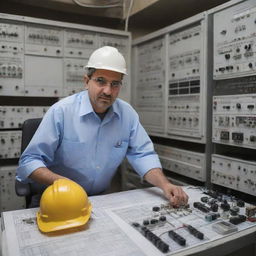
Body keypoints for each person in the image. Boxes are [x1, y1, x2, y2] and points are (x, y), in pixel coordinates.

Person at [17, 46, 188, 207]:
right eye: (101, 81)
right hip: (57, 200)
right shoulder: (61, 112)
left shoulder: (127, 114)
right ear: (86, 81)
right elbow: (29, 162)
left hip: (99, 201)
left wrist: (165, 185)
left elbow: (143, 155)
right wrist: (63, 184)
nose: (107, 90)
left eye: (115, 84)